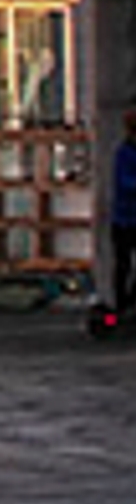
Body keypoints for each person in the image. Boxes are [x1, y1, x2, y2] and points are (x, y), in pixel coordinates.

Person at [106, 106, 136, 334]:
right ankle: (121, 305)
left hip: (126, 218)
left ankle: (127, 304)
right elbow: (125, 184)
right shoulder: (125, 153)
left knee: (125, 265)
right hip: (126, 219)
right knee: (123, 265)